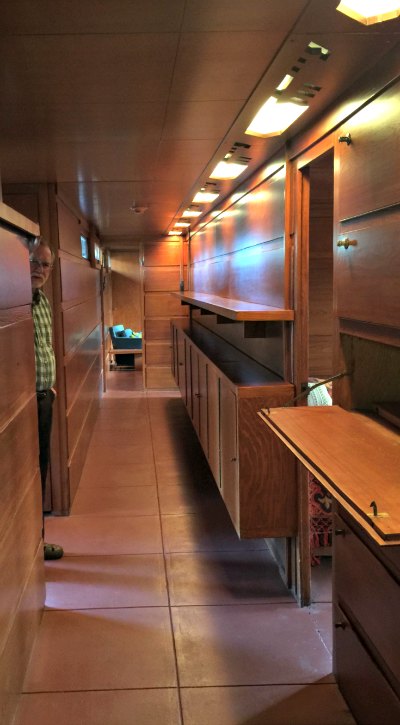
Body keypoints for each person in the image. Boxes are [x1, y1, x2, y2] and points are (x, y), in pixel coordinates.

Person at [30, 240, 64, 560]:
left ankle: (37, 544)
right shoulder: (11, 302)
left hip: (43, 399)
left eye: (45, 265)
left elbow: (46, 346)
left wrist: (49, 387)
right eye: (33, 261)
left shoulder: (43, 302)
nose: (38, 269)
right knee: (22, 478)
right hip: (21, 406)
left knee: (40, 471)